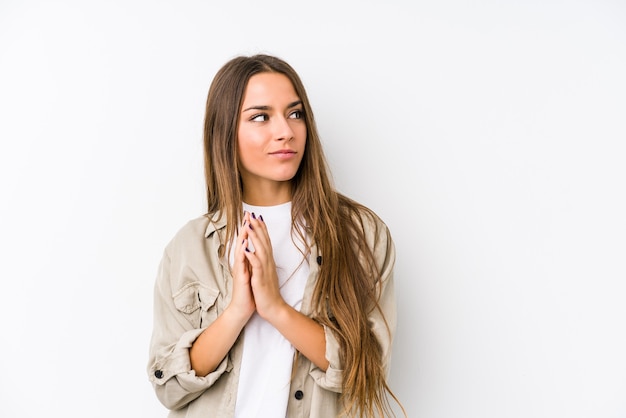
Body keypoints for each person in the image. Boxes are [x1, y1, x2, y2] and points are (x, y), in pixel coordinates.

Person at [147, 53, 404, 417]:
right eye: (261, 117)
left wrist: (276, 308)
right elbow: (169, 386)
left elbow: (369, 371)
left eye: (295, 114)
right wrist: (238, 311)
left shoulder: (360, 234)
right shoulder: (189, 248)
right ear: (225, 132)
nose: (285, 130)